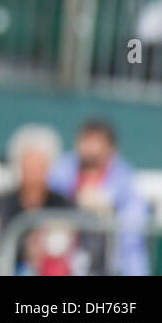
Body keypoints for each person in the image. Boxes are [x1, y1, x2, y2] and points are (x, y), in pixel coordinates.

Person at [47, 118, 149, 276]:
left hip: (109, 264)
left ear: (110, 149)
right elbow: (47, 206)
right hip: (63, 259)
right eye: (87, 142)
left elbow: (132, 239)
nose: (90, 150)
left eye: (96, 145)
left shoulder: (125, 182)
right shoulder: (62, 171)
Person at [0, 124, 72, 275]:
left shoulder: (63, 205)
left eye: (39, 164)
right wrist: (25, 247)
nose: (34, 171)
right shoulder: (2, 205)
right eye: (29, 164)